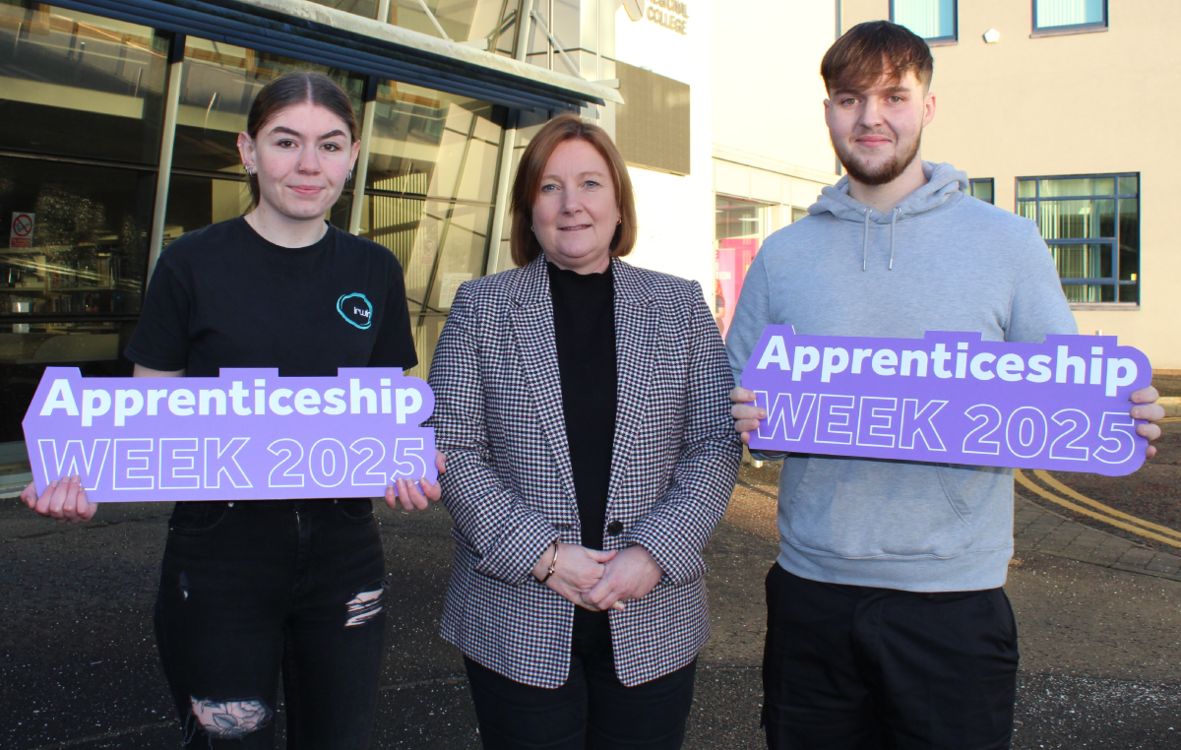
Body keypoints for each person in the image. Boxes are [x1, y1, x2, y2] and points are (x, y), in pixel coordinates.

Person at [725, 21, 1166, 750]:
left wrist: (1118, 414)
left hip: (953, 600)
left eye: (893, 97)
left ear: (927, 107)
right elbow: (734, 402)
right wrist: (745, 417)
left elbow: (1063, 394)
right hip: (812, 593)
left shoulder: (1008, 244)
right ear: (828, 111)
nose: (870, 117)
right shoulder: (783, 255)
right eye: (849, 99)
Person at [21, 71, 440, 749]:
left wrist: (408, 463)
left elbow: (385, 411)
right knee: (229, 740)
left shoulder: (374, 270)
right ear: (248, 151)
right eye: (286, 141)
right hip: (220, 552)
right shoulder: (191, 264)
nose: (309, 164)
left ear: (352, 158)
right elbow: (144, 418)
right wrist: (81, 475)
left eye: (330, 145)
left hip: (343, 551)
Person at [427, 113, 740, 749]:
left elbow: (714, 440)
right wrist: (542, 557)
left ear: (619, 204)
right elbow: (453, 445)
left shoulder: (679, 307)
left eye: (591, 184)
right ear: (529, 210)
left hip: (652, 610)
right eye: (550, 187)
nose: (571, 204)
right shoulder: (480, 306)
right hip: (515, 613)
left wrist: (653, 553)